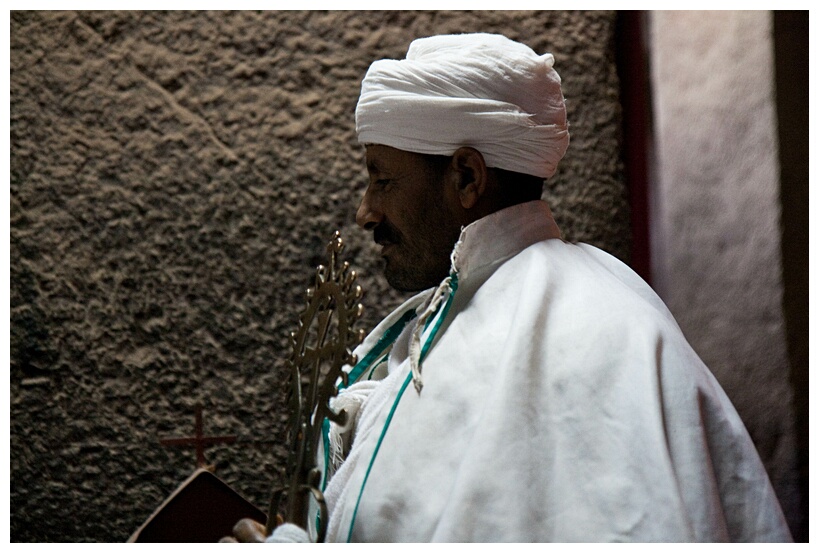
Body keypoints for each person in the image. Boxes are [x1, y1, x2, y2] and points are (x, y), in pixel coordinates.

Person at [235, 32, 792, 543]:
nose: (365, 212)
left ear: (467, 177)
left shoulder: (595, 329)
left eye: (382, 179)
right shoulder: (435, 326)